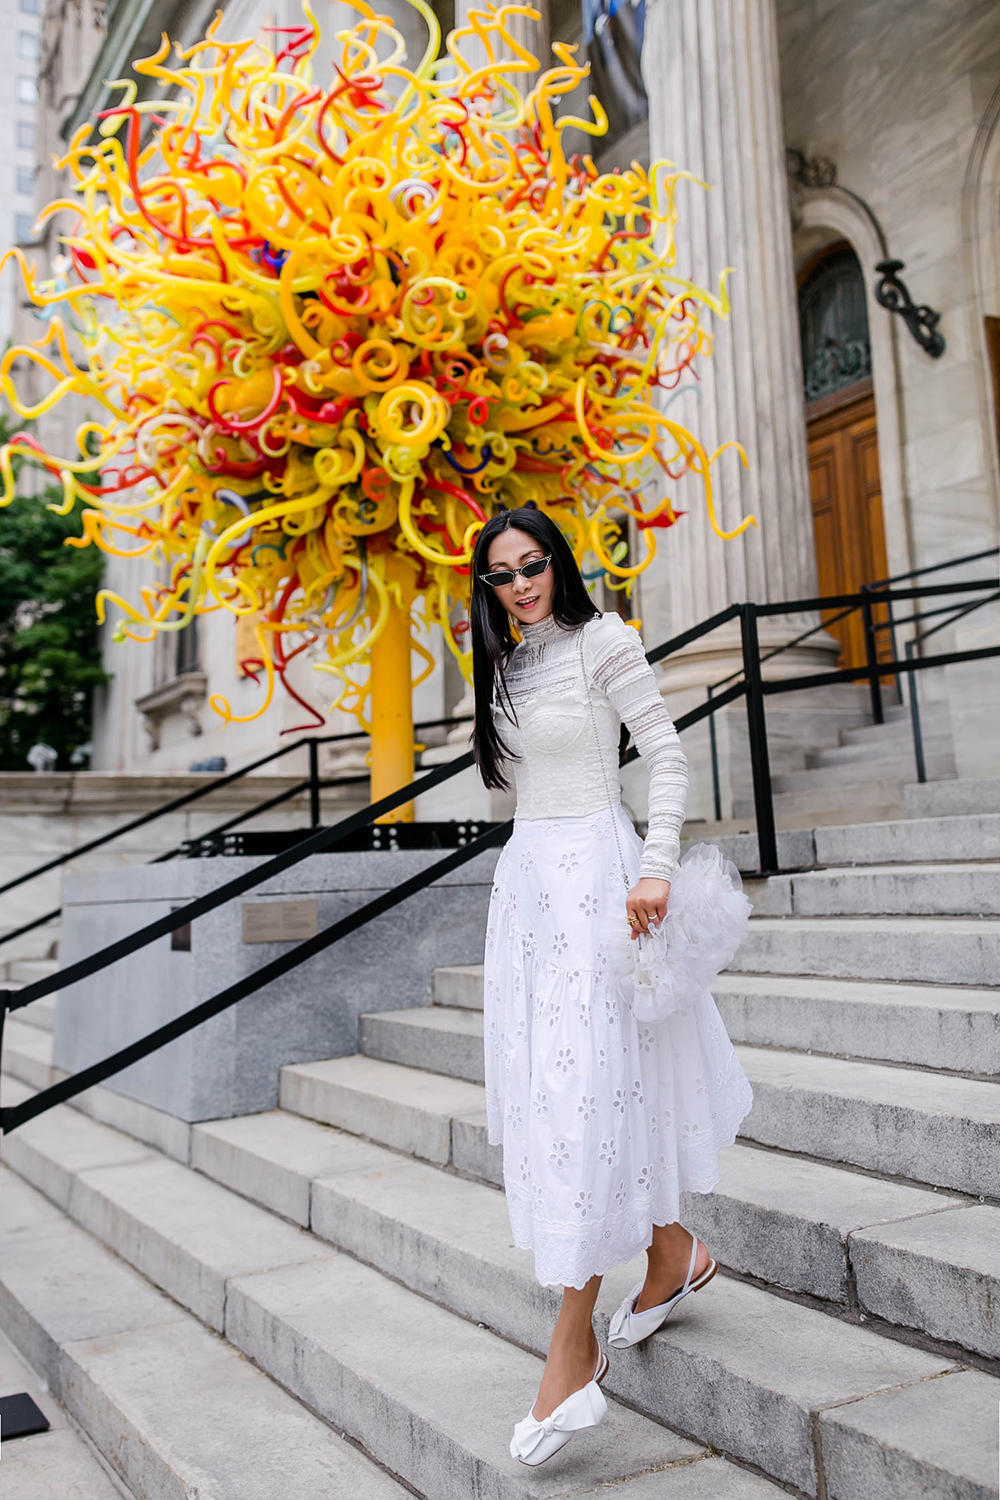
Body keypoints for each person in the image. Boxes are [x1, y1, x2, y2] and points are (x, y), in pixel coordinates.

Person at [470, 502, 754, 1467]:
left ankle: (570, 1343)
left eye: (533, 564)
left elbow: (666, 752)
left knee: (585, 1098)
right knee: (573, 1096)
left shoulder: (604, 640)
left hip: (601, 882)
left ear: (559, 562)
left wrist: (657, 869)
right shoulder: (505, 667)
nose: (521, 584)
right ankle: (673, 1253)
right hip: (530, 898)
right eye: (503, 574)